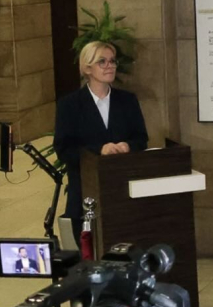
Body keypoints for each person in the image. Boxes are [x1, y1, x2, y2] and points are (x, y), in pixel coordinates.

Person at [54, 42, 148, 243]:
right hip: (85, 191)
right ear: (88, 68)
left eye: (112, 61)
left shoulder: (128, 100)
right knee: (89, 248)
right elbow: (64, 149)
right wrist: (99, 150)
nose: (109, 66)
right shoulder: (69, 105)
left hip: (122, 188)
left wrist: (128, 146)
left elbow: (141, 138)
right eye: (102, 62)